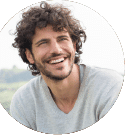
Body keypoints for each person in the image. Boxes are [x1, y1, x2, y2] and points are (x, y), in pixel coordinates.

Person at [10, 2, 123, 134]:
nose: (56, 50)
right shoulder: (23, 102)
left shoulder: (109, 87)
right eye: (43, 43)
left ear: (74, 46)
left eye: (62, 39)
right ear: (29, 55)